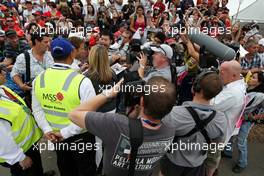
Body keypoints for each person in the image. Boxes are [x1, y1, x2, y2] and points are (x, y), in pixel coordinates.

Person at [69, 76, 177, 176]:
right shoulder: (170, 131)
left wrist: (109, 94)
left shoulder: (116, 124)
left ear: (142, 101)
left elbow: (73, 114)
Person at [32, 37, 97, 176]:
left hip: (55, 137)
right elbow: (89, 116)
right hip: (80, 138)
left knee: (66, 169)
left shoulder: (38, 79)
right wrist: (64, 133)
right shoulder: (82, 81)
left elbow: (37, 109)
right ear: (72, 54)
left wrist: (47, 130)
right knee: (86, 170)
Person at [160, 70, 227, 176]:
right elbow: (216, 148)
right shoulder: (221, 119)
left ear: (194, 88)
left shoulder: (173, 113)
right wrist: (210, 169)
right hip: (198, 165)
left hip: (172, 162)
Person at [205, 60, 247, 176]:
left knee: (211, 158)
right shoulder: (238, 81)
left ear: (233, 75)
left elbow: (210, 104)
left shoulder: (233, 92)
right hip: (222, 128)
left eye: (221, 73)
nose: (218, 76)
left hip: (218, 132)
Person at [0, 65, 44, 176]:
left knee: (36, 168)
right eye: (1, 72)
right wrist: (20, 158)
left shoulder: (2, 89)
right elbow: (2, 140)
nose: (5, 74)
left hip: (28, 144)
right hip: (19, 153)